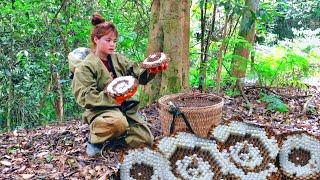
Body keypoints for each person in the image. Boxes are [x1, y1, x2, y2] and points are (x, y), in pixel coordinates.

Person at [71, 13, 167, 157]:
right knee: (117, 122)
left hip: (124, 108)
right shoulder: (86, 66)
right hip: (100, 111)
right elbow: (85, 97)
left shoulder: (117, 59)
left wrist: (151, 69)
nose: (112, 44)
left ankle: (115, 140)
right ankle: (95, 140)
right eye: (108, 40)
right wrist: (113, 98)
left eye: (114, 41)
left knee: (145, 140)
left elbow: (136, 73)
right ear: (96, 39)